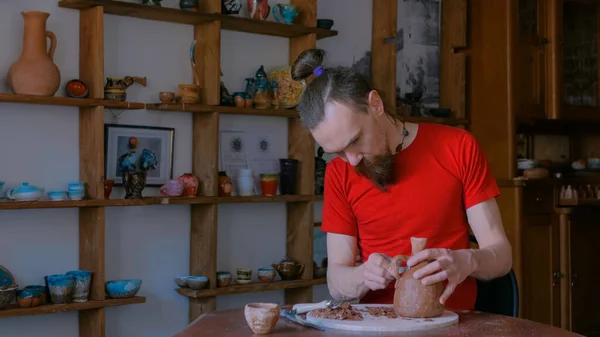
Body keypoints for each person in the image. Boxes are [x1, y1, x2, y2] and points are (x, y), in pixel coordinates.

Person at [291, 49, 512, 310]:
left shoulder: (457, 147)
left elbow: (501, 256)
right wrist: (363, 275)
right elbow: (336, 281)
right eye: (337, 152)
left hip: (454, 321)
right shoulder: (339, 173)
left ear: (375, 105)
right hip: (374, 324)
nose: (351, 161)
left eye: (355, 141)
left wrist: (466, 261)